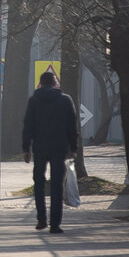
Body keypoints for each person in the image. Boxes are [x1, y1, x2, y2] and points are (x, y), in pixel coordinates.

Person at [21, 68, 78, 233]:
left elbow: (28, 125)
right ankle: (55, 224)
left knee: (38, 184)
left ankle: (41, 220)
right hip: (59, 148)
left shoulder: (34, 101)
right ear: (55, 83)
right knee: (56, 185)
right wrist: (73, 148)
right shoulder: (65, 100)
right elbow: (71, 126)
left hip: (40, 148)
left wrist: (26, 148)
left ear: (41, 84)